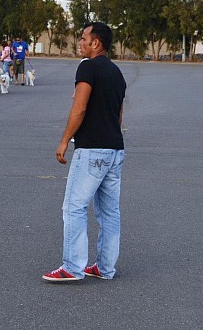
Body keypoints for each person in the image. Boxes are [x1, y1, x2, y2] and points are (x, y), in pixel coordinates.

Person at [43, 22, 127, 282]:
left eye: (83, 38)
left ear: (96, 43)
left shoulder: (87, 67)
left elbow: (79, 108)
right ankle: (105, 268)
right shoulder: (116, 73)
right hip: (115, 148)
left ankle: (72, 267)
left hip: (92, 150)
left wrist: (64, 140)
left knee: (74, 208)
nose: (79, 43)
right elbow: (119, 114)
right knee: (110, 212)